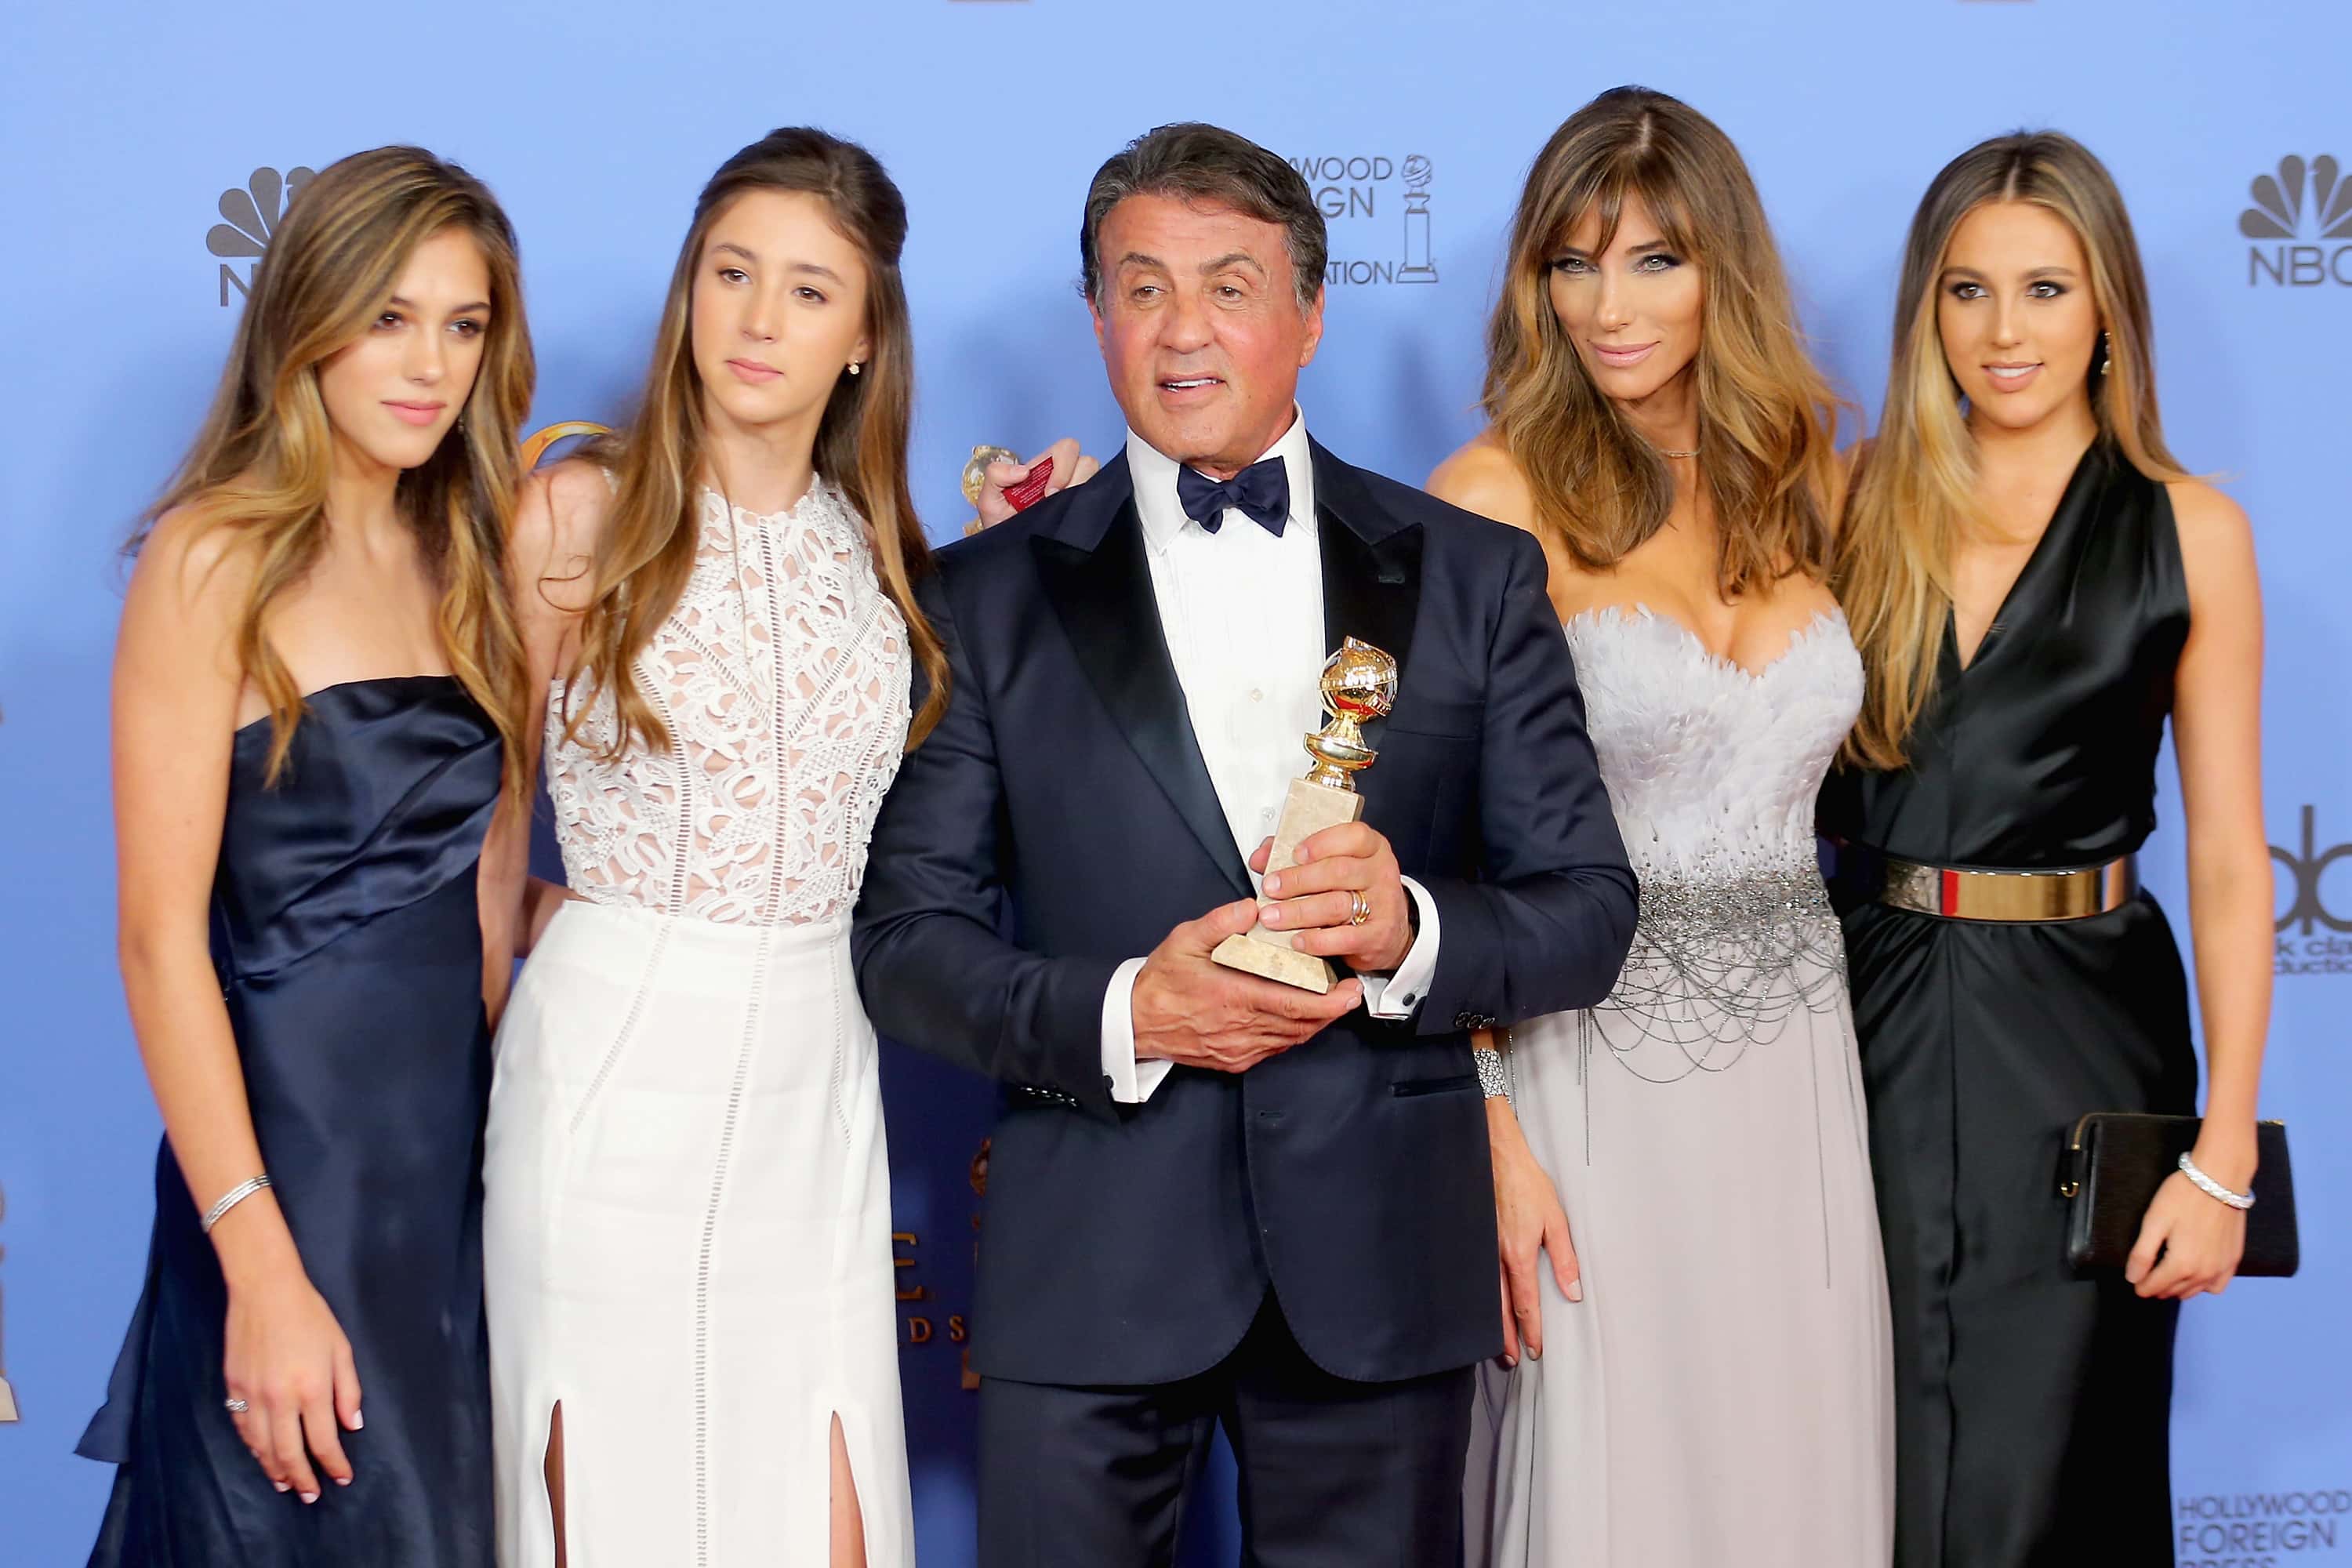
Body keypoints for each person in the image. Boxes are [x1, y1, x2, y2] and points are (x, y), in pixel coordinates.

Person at [852, 120, 1636, 1566]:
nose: (1183, 330)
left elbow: (1588, 908)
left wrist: (1412, 930)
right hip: (1090, 1260)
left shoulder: (1468, 573)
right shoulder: (978, 596)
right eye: (1142, 288)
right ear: (1096, 318)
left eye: (1229, 284)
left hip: (1380, 1259)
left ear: (1311, 313)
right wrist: (1124, 1009)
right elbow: (906, 947)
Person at [1428, 86, 1895, 1567]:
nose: (1606, 306)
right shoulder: (1494, 494)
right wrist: (1489, 1124)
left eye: (1652, 261)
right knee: (1612, 1471)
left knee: (1792, 1454)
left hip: (1798, 1065)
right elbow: (1430, 846)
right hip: (1588, 1063)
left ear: (1724, 273)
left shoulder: (1815, 481)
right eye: (1572, 264)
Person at [480, 128, 936, 1567]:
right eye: (733, 273)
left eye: (810, 290)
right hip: (605, 1067)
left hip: (817, 1070)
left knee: (824, 1498)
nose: (759, 319)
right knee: (598, 1502)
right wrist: (494, 1017)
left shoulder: (884, 552)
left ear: (864, 337)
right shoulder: (577, 509)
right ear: (689, 295)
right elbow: (487, 828)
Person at [1820, 129, 2273, 1566]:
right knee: (1861, 1454)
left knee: (2057, 1475)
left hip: (2088, 1035)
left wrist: (2223, 1166)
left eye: (2044, 289)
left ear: (2107, 311)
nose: (2003, 333)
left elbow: (2224, 860)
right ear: (1925, 311)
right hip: (1864, 1014)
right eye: (1966, 291)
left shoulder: (2189, 530)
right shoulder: (1850, 494)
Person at [79, 145, 534, 1566]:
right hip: (282, 1191)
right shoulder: (212, 560)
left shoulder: (475, 557)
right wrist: (258, 1265)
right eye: (390, 316)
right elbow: (159, 939)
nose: (429, 365)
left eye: (464, 326)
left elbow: (490, 913)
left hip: (451, 1193)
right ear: (306, 317)